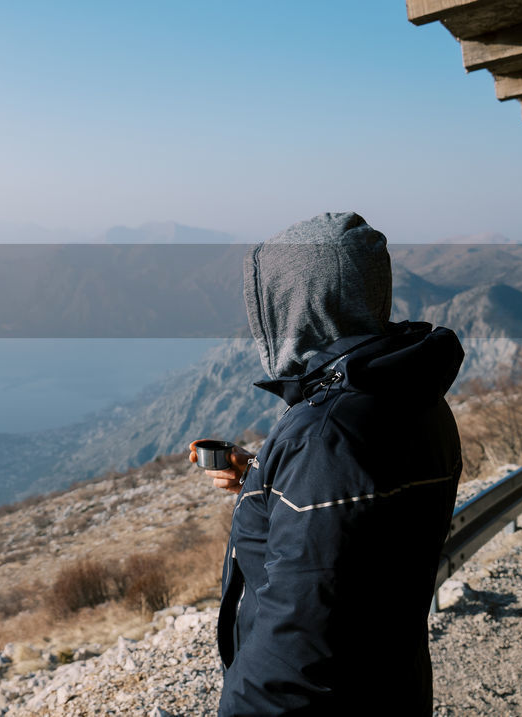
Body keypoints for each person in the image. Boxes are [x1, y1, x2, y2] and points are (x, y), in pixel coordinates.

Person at [190, 211, 464, 716]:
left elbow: (296, 641)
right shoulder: (413, 395)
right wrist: (265, 481)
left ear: (296, 307)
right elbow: (358, 528)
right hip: (388, 682)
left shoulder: (322, 433)